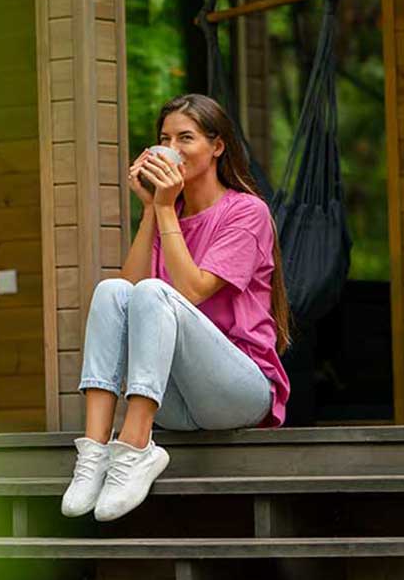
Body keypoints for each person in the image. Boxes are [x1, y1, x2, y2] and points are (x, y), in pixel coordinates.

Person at [61, 93, 292, 523]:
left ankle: (133, 448)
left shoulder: (247, 212)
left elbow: (190, 290)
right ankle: (94, 452)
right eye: (165, 138)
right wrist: (152, 209)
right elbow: (124, 297)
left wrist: (166, 207)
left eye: (186, 137)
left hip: (239, 393)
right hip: (177, 404)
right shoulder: (167, 211)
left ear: (217, 146)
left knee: (154, 292)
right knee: (112, 290)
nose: (172, 147)